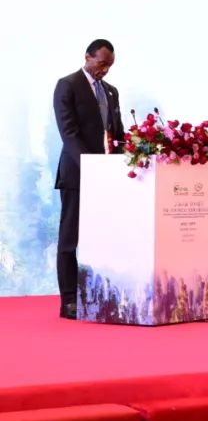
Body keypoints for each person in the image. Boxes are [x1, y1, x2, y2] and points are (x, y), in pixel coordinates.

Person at [53, 39, 126, 319]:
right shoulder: (68, 85)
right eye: (102, 63)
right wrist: (91, 167)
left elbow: (116, 132)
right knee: (69, 239)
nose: (105, 70)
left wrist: (124, 161)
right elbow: (68, 132)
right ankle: (69, 301)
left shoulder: (111, 91)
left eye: (110, 66)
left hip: (107, 176)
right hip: (77, 174)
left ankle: (99, 297)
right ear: (87, 57)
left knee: (104, 239)